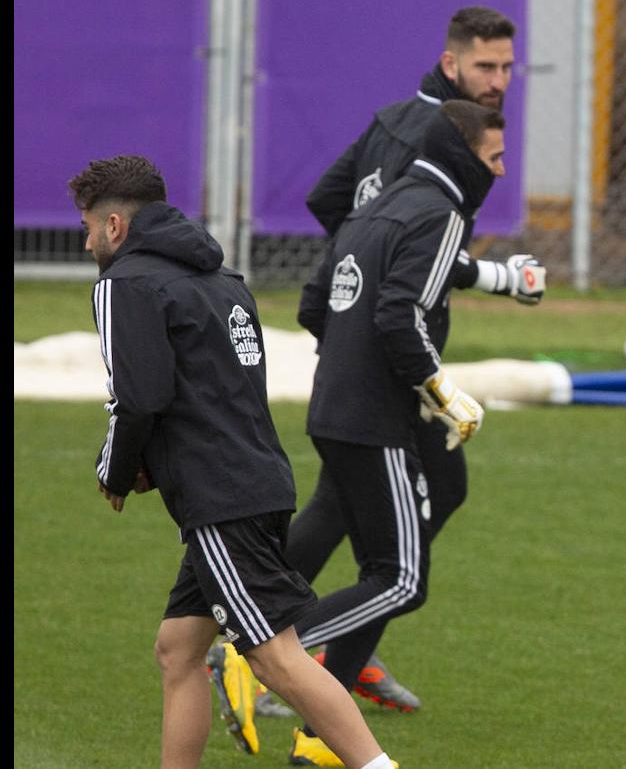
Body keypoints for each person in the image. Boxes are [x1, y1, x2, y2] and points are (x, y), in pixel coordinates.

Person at [71, 155, 395, 769]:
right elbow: (213, 391)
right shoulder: (225, 283)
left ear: (114, 225)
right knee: (178, 649)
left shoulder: (124, 284)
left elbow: (138, 398)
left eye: (88, 228)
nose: (87, 242)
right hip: (261, 480)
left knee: (274, 657)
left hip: (219, 499)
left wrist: (117, 468)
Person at [275, 5, 543, 714]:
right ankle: (283, 649)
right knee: (371, 531)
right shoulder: (434, 140)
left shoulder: (403, 121)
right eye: (486, 66)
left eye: (508, 68)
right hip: (387, 367)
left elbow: (333, 204)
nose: (499, 81)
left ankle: (334, 650)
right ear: (452, 63)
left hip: (371, 355)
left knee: (414, 499)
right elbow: (395, 254)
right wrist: (376, 318)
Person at [280, 100, 506, 767]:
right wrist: (443, 394)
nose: (498, 171)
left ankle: (321, 740)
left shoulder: (375, 203)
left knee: (387, 559)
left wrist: (352, 366)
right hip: (377, 419)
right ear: (466, 156)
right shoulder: (441, 212)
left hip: (335, 406)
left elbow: (314, 305)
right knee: (401, 578)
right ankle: (263, 651)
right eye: (493, 159)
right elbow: (399, 316)